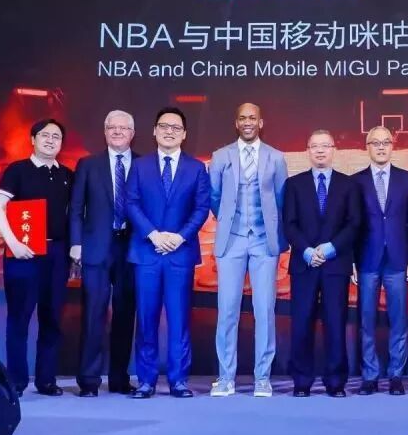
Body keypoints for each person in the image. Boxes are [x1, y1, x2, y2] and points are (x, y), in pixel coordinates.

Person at [126, 107, 211, 398]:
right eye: (164, 126)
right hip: (146, 252)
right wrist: (153, 234)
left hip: (179, 253)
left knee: (179, 319)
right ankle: (146, 381)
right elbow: (131, 203)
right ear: (154, 131)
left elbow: (201, 208)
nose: (169, 131)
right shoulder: (140, 166)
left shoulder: (196, 168)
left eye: (176, 127)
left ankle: (178, 380)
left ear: (184, 134)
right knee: (146, 319)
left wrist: (179, 236)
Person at [208, 102, 288, 397]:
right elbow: (214, 196)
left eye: (252, 118)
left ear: (261, 122)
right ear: (236, 123)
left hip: (264, 241)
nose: (247, 122)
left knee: (264, 310)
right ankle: (225, 377)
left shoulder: (276, 157)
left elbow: (281, 198)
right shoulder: (221, 156)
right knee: (227, 310)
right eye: (242, 118)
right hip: (231, 240)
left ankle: (262, 378)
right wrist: (230, 221)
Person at [0, 118, 73, 397]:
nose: (50, 140)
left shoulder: (67, 175)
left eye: (56, 136)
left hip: (57, 254)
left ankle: (46, 380)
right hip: (22, 254)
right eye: (45, 135)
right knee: (19, 318)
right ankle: (16, 380)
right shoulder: (18, 170)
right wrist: (13, 243)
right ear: (33, 139)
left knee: (52, 318)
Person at [283, 130, 360, 397]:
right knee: (302, 322)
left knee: (336, 323)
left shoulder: (348, 185)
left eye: (325, 146)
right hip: (304, 264)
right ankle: (301, 381)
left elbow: (354, 224)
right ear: (307, 150)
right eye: (314, 146)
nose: (320, 151)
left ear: (334, 149)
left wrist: (329, 249)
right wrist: (306, 251)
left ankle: (336, 382)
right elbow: (289, 223)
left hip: (335, 263)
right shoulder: (294, 184)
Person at [68, 110, 138, 398]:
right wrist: (75, 243)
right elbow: (75, 208)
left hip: (131, 249)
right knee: (93, 315)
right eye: (112, 127)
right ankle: (89, 381)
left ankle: (120, 379)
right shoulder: (88, 164)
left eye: (124, 127)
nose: (118, 132)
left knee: (125, 315)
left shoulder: (144, 164)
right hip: (95, 249)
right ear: (105, 131)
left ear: (133, 133)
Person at [352, 126, 408, 396]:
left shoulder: (407, 178)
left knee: (399, 320)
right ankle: (369, 376)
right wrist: (352, 261)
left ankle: (395, 376)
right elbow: (352, 225)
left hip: (398, 259)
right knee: (366, 320)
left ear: (393, 146)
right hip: (366, 260)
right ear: (367, 147)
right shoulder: (356, 181)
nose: (381, 147)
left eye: (386, 142)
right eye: (375, 143)